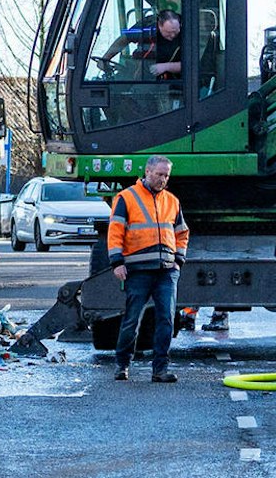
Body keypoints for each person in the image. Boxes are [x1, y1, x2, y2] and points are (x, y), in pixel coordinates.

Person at [105, 155, 189, 382]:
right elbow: (115, 232)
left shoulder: (172, 201)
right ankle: (122, 365)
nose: (163, 179)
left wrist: (178, 261)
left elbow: (182, 233)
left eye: (166, 175)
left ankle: (160, 369)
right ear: (148, 172)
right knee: (132, 320)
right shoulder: (126, 197)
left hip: (166, 270)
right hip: (138, 269)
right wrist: (117, 262)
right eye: (160, 174)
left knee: (167, 319)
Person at [99, 9, 183, 80]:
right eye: (169, 32)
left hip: (162, 81)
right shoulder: (147, 25)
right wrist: (105, 58)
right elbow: (125, 38)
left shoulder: (187, 33)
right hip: (136, 69)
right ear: (159, 25)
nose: (172, 35)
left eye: (175, 32)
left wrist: (165, 67)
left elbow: (191, 65)